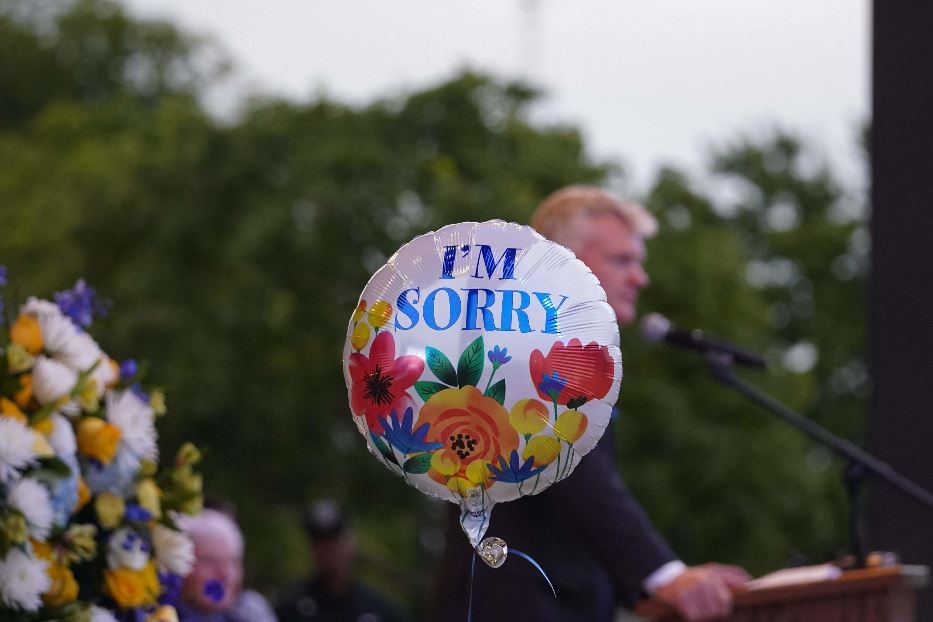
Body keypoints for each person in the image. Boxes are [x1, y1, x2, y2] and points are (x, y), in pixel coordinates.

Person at [428, 186, 750, 622]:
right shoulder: (520, 350)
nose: (640, 278)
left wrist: (648, 589)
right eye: (622, 260)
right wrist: (663, 574)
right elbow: (581, 480)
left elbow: (564, 517)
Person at [276, 499, 408, 622]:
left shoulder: (380, 611)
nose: (326, 548)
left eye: (333, 538)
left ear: (351, 541)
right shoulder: (289, 610)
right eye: (318, 539)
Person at [176, 508, 277, 622]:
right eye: (209, 561)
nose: (225, 574)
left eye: (233, 563)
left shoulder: (250, 614)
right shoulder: (158, 613)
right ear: (176, 561)